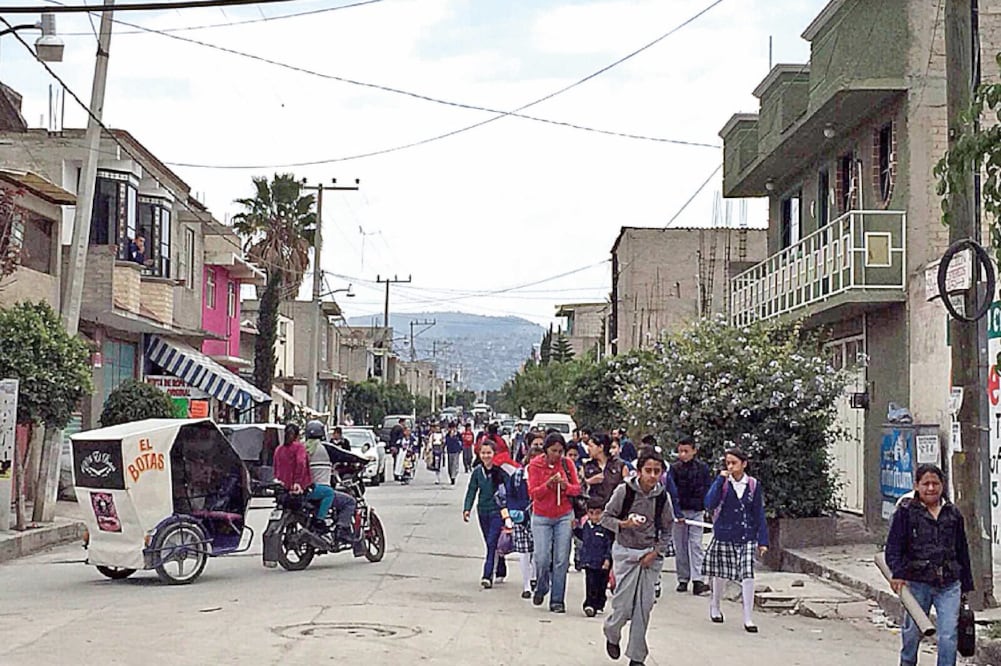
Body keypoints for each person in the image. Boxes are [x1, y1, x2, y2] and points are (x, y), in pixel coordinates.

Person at [886, 464, 974, 666]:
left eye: (935, 483)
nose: (931, 488)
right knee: (912, 633)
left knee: (948, 635)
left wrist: (966, 585)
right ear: (917, 486)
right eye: (926, 484)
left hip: (949, 584)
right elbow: (894, 547)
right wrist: (897, 573)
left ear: (942, 485)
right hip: (917, 583)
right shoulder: (906, 512)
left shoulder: (953, 513)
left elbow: (962, 550)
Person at [601, 447, 674, 666]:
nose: (652, 475)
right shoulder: (625, 491)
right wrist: (624, 524)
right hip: (626, 552)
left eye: (657, 471)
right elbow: (605, 518)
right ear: (639, 471)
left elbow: (668, 529)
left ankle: (636, 656)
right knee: (623, 606)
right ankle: (612, 632)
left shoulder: (662, 497)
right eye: (648, 470)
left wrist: (656, 552)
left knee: (644, 607)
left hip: (649, 555)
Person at [703, 447, 768, 633]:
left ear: (744, 464)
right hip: (724, 534)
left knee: (747, 574)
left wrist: (763, 540)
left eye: (734, 463)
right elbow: (709, 503)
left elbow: (758, 512)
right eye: (728, 463)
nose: (730, 466)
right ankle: (715, 605)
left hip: (746, 535)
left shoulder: (752, 485)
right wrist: (720, 480)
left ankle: (748, 617)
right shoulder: (723, 483)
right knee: (720, 573)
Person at [527, 432, 581, 613]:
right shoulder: (535, 465)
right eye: (553, 451)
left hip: (564, 515)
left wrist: (565, 486)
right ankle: (542, 585)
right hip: (541, 516)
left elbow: (577, 489)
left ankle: (557, 599)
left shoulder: (567, 464)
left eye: (560, 451)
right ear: (546, 450)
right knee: (542, 558)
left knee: (561, 559)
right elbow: (533, 493)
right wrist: (548, 484)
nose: (557, 455)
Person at [462, 439, 511, 588]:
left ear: (494, 453)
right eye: (483, 453)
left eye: (489, 453)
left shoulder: (501, 471)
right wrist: (467, 508)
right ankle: (500, 567)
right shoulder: (477, 472)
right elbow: (472, 490)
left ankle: (487, 575)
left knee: (491, 542)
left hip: (497, 511)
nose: (486, 456)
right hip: (482, 511)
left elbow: (509, 491)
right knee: (490, 543)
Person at [669, 434, 712, 596]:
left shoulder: (702, 468)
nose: (683, 454)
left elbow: (707, 488)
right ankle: (683, 578)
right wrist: (677, 511)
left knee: (696, 545)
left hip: (696, 512)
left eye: (686, 451)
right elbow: (671, 491)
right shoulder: (674, 469)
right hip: (679, 513)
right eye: (680, 451)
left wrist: (706, 507)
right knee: (680, 547)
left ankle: (698, 580)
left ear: (694, 451)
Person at [508, 439, 544, 598]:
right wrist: (514, 511)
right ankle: (526, 584)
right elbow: (510, 495)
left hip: (540, 518)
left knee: (538, 552)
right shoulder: (518, 476)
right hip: (521, 519)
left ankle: (535, 578)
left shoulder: (545, 477)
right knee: (524, 553)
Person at [578, 499, 613, 617]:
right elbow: (583, 537)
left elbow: (609, 544)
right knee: (590, 582)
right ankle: (589, 604)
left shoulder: (606, 528)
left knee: (601, 584)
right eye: (591, 513)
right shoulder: (586, 526)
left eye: (598, 513)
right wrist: (575, 529)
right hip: (589, 561)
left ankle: (599, 603)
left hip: (602, 562)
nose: (594, 517)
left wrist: (607, 559)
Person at [583, 432, 629, 509]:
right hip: (594, 509)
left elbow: (628, 489)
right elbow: (579, 488)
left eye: (591, 446)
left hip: (614, 508)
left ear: (601, 447)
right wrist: (589, 481)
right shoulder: (586, 466)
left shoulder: (620, 466)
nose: (588, 449)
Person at [273, 423, 310, 494]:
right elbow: (301, 463)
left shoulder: (278, 449)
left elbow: (276, 467)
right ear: (297, 436)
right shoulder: (299, 447)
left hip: (281, 485)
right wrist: (297, 481)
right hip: (295, 488)